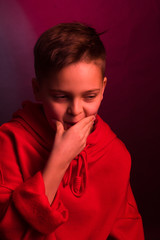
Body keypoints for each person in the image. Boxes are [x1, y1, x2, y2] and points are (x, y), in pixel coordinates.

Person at [0, 22, 144, 239]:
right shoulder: (10, 141)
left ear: (103, 89)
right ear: (38, 89)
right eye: (61, 97)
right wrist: (59, 161)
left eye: (90, 96)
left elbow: (127, 228)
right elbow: (10, 232)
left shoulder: (116, 153)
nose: (76, 111)